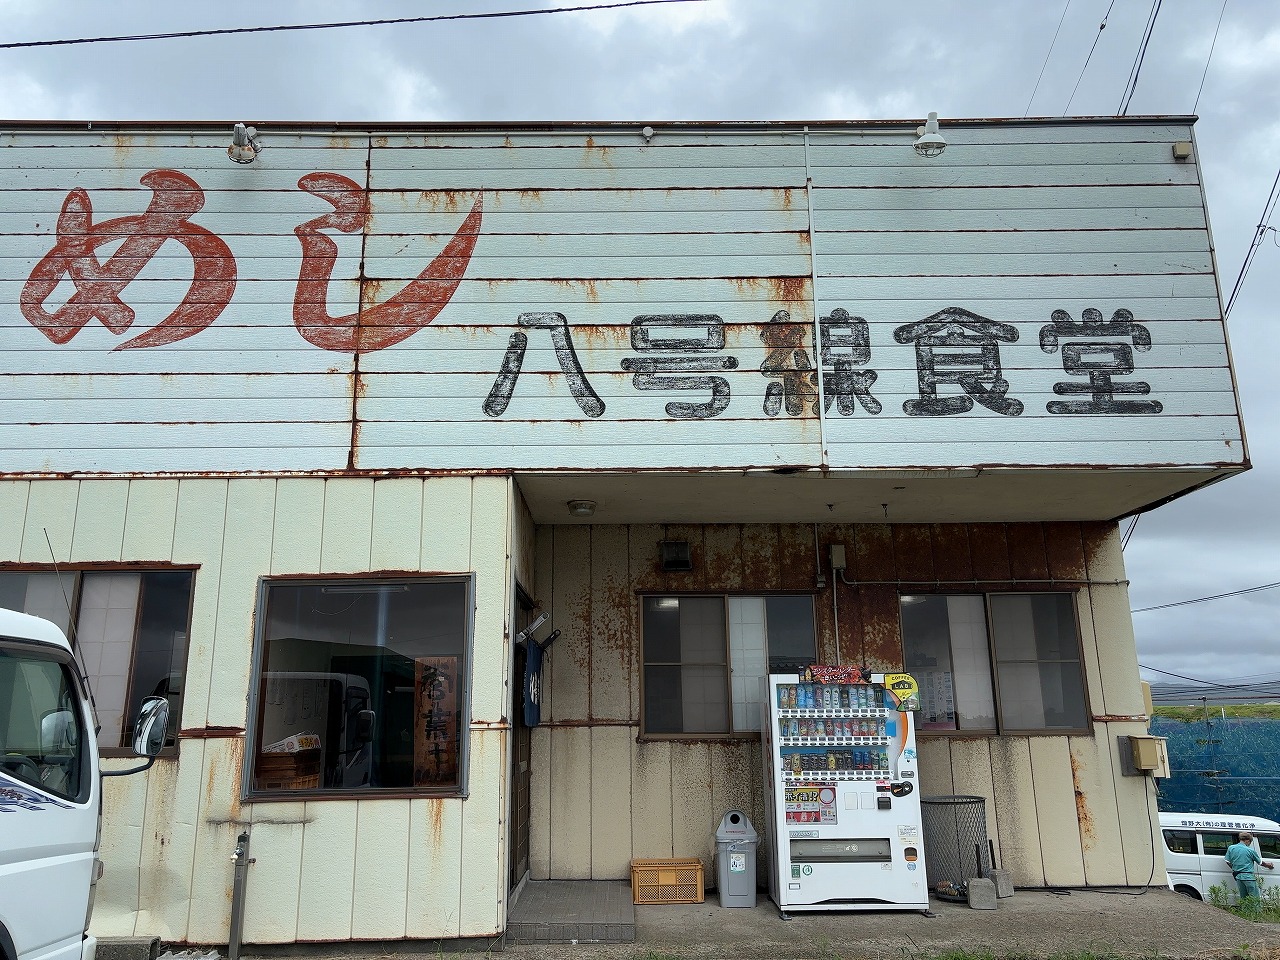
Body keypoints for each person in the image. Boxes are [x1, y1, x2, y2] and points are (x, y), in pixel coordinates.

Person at [1225, 831, 1274, 902]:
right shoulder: (1250, 850)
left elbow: (1227, 861)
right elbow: (1260, 862)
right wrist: (1268, 865)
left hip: (1238, 876)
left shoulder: (1231, 848)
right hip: (1248, 877)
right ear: (1248, 840)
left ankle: (1245, 912)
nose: (1249, 844)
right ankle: (1255, 912)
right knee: (1254, 898)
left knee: (1244, 898)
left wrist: (1234, 868)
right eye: (1250, 842)